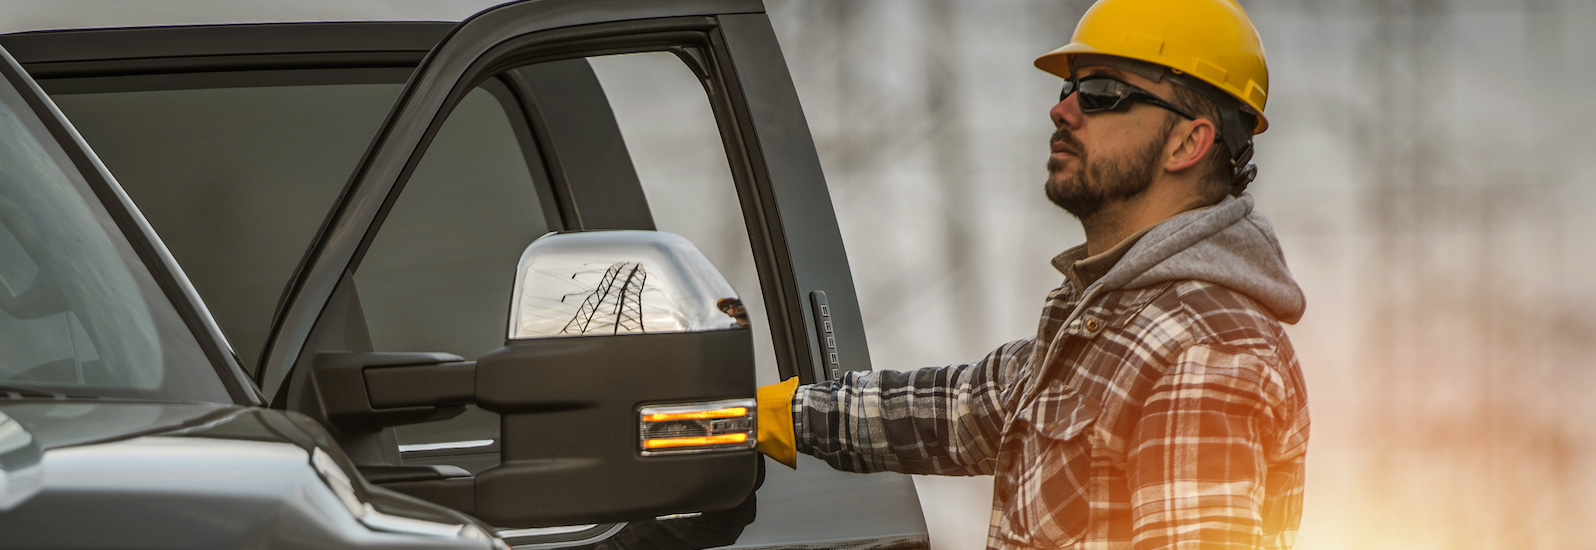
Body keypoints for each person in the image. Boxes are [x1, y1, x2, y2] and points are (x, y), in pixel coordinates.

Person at [754, 0, 1309, 548]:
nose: (1063, 111)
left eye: (1101, 94)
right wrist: (769, 416)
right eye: (1069, 90)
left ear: (1188, 142)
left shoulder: (1202, 351)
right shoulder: (1112, 322)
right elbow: (962, 409)